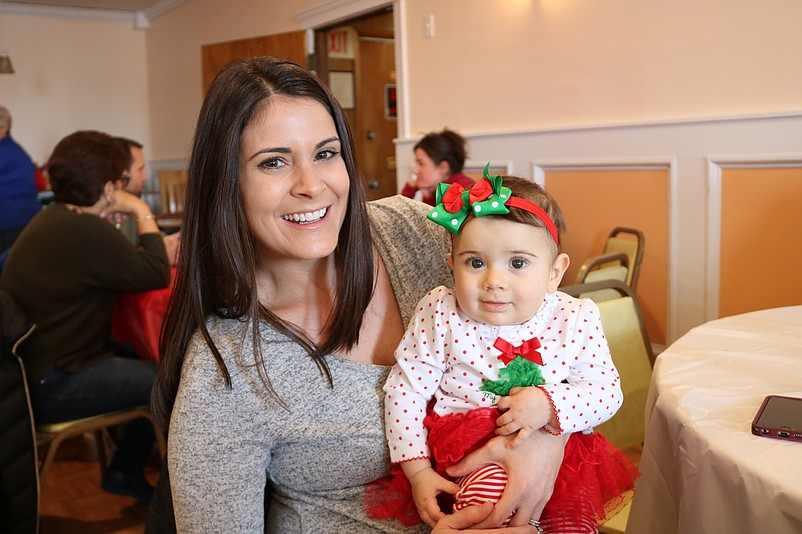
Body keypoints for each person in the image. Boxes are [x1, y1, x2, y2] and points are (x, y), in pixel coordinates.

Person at [148, 56, 568, 534]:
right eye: (274, 162)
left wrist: (545, 437)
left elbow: (556, 336)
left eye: (326, 153)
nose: (312, 186)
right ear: (227, 183)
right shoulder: (227, 371)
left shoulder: (415, 233)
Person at [368, 172, 639, 532]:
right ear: (453, 264)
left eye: (518, 263)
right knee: (490, 514)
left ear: (554, 273)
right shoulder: (441, 311)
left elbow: (606, 391)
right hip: (469, 454)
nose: (494, 281)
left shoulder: (573, 316)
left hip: (560, 454)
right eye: (475, 263)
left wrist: (548, 403)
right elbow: (406, 388)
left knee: (570, 524)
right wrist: (416, 471)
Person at [0, 129, 171, 503]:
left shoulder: (55, 219)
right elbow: (156, 272)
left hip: (35, 373)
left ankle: (126, 466)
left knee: (140, 355)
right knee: (170, 377)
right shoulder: (83, 229)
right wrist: (141, 211)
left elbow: (129, 264)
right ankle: (133, 473)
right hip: (54, 383)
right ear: (110, 188)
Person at [112, 136, 180, 264]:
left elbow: (157, 242)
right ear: (122, 173)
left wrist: (173, 243)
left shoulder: (130, 206)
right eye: (140, 169)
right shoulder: (104, 211)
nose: (145, 176)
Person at [0, 106, 42, 253]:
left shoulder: (5, 151)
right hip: (22, 220)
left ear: (4, 128)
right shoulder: (15, 150)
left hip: (11, 223)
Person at [401, 128, 474, 206]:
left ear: (443, 167)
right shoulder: (438, 191)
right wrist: (426, 196)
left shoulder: (460, 192)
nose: (414, 170)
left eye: (421, 163)